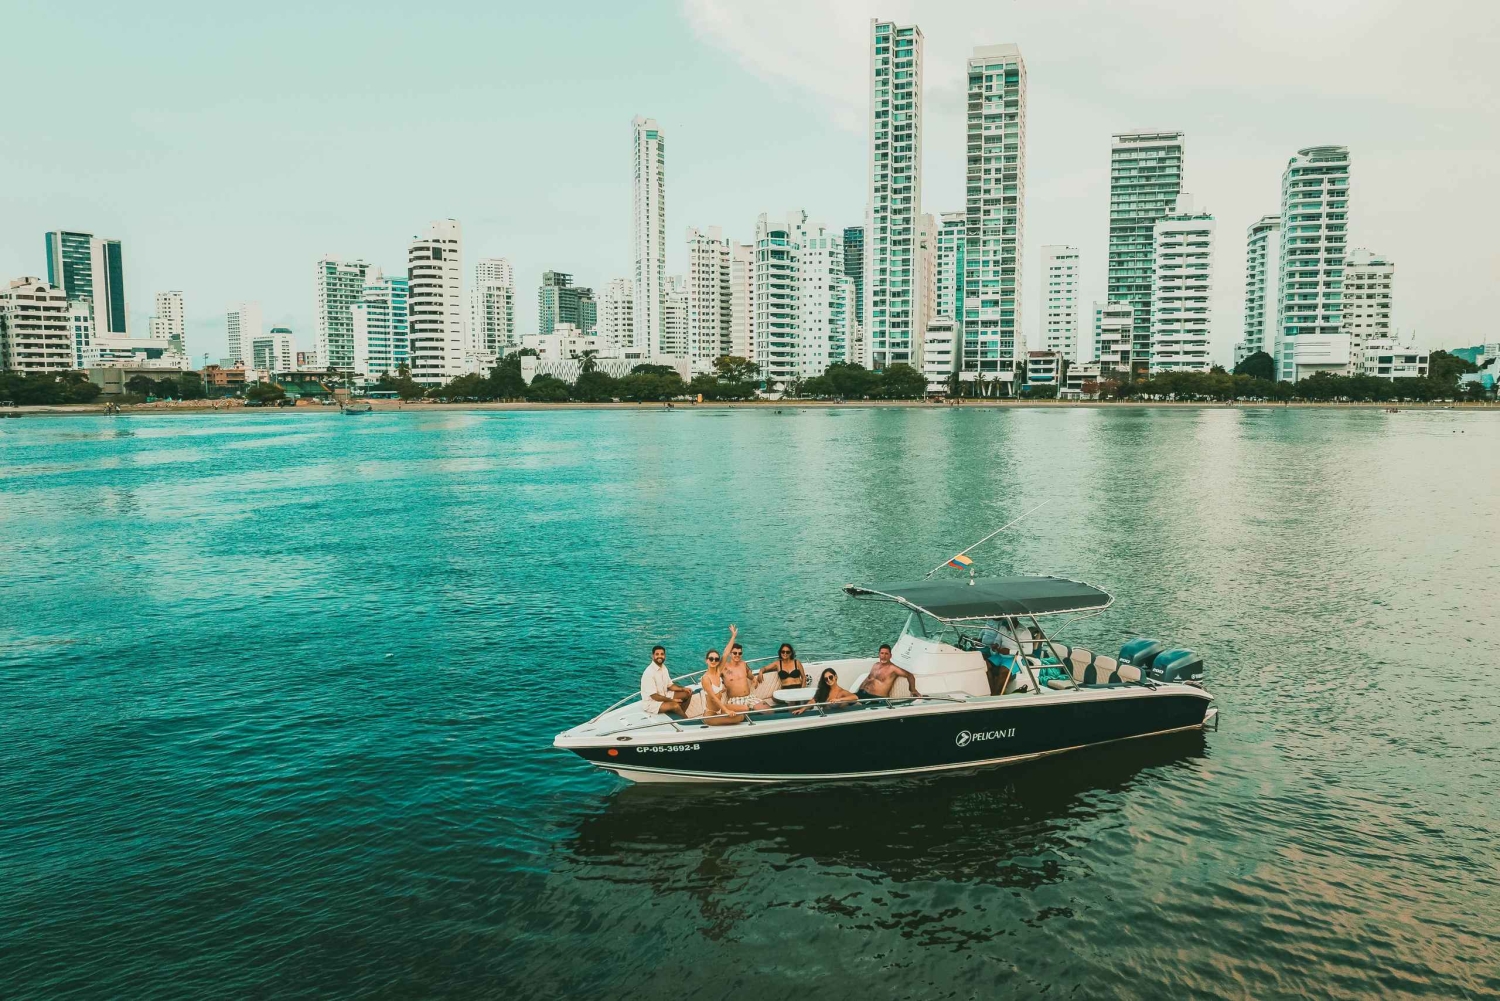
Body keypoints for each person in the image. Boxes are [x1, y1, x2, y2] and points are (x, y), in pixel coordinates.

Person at [719, 625, 770, 711]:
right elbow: (725, 654)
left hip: (749, 697)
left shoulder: (743, 664)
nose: (737, 655)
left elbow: (752, 677)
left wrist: (754, 680)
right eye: (735, 653)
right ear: (730, 654)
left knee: (768, 710)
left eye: (740, 653)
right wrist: (733, 636)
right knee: (747, 710)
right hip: (734, 700)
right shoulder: (724, 667)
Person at [857, 643, 922, 701]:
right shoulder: (875, 665)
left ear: (890, 656)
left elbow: (909, 675)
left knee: (849, 703)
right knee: (847, 696)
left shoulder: (893, 668)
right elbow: (869, 679)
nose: (883, 656)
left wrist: (912, 690)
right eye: (882, 653)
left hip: (876, 698)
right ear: (879, 654)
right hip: (862, 694)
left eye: (886, 654)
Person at [698, 648, 746, 725]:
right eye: (711, 659)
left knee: (745, 708)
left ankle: (723, 713)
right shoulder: (706, 678)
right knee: (740, 717)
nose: (714, 661)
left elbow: (726, 653)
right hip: (711, 715)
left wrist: (733, 636)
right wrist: (727, 710)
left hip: (720, 709)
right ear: (706, 660)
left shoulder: (718, 671)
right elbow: (713, 698)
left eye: (716, 659)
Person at [640, 645, 690, 717]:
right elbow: (655, 696)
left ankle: (681, 714)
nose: (660, 656)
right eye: (657, 654)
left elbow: (670, 685)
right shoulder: (648, 673)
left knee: (687, 693)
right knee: (675, 705)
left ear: (665, 656)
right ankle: (686, 720)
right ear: (652, 656)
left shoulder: (664, 668)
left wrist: (683, 689)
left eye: (662, 654)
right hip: (652, 703)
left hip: (664, 695)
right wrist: (672, 700)